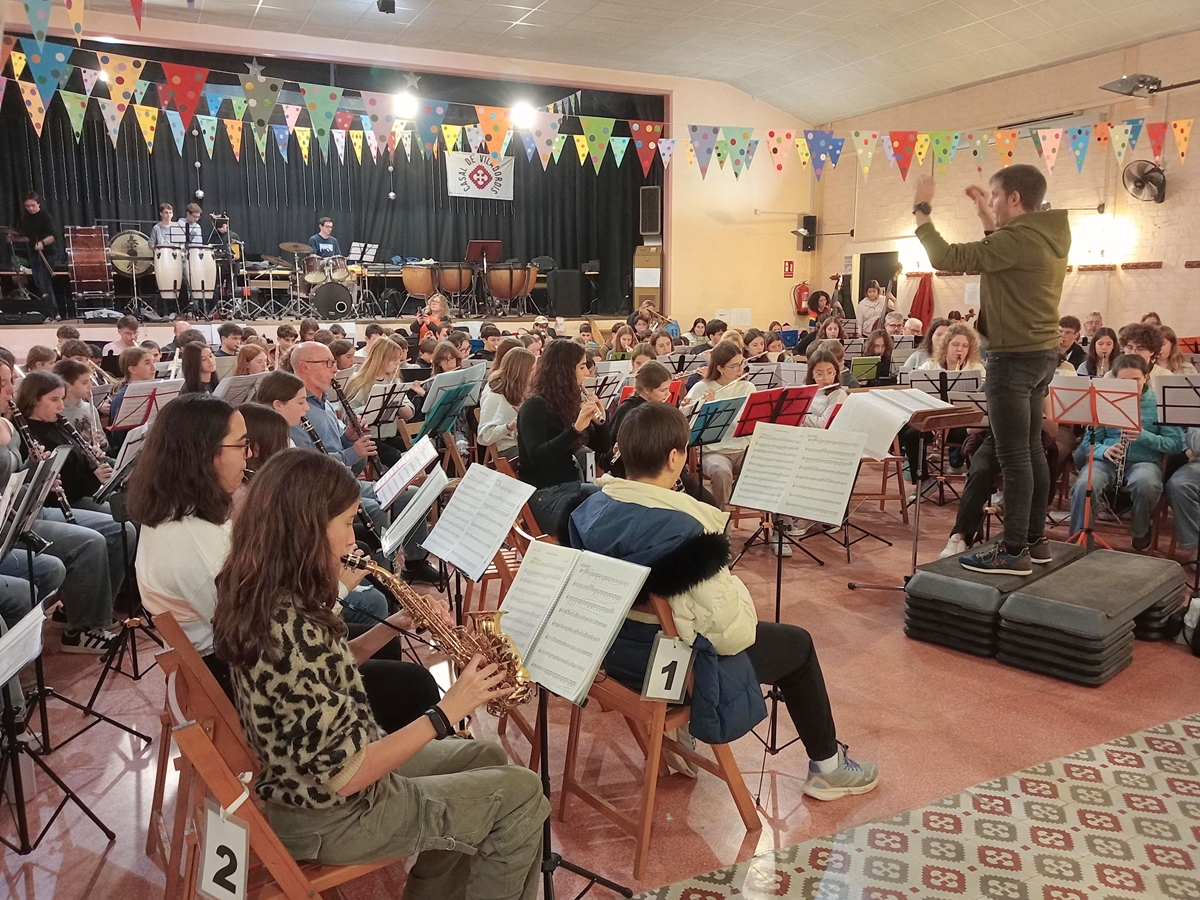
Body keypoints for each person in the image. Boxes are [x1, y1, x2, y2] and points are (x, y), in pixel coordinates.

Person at [211, 449, 547, 897]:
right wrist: (447, 711)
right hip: (337, 816)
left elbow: (323, 676)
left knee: (484, 756)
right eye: (348, 522)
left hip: (308, 793)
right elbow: (346, 775)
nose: (354, 539)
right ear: (308, 529)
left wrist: (393, 624)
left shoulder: (268, 598)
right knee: (523, 795)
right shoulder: (292, 630)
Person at [569, 402, 879, 801]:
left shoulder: (591, 508)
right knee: (798, 645)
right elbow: (730, 634)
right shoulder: (684, 529)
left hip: (612, 659)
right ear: (675, 457)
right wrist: (739, 592)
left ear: (622, 452)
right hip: (671, 671)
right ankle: (829, 768)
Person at [915, 166, 1069, 571]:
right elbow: (1003, 253)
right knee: (1031, 450)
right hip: (1040, 354)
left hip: (1012, 357)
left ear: (1014, 198)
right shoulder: (1045, 234)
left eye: (996, 196)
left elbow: (946, 257)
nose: (994, 202)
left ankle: (1013, 550)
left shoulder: (1017, 240)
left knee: (1014, 456)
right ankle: (1035, 541)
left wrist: (922, 208)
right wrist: (986, 216)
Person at [288, 342, 439, 585]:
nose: (335, 369)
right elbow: (309, 463)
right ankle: (381, 584)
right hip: (322, 488)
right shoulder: (295, 408)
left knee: (411, 494)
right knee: (377, 509)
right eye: (328, 363)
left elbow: (334, 445)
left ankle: (416, 563)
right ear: (304, 367)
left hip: (344, 479)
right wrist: (352, 453)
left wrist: (349, 437)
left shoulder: (324, 401)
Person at [1070, 354, 1182, 551]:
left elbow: (1174, 444)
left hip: (1145, 461)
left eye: (1135, 380)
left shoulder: (1159, 403)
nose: (1130, 386)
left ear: (1146, 377)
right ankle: (1080, 540)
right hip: (1106, 460)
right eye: (1123, 381)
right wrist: (1104, 450)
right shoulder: (1105, 400)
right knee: (1084, 484)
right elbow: (1088, 444)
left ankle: (1140, 530)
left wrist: (1143, 436)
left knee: (1146, 483)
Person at [516, 340, 608, 537]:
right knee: (599, 525)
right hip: (545, 494)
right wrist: (575, 429)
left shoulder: (565, 404)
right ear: (564, 371)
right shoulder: (534, 406)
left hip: (572, 486)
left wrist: (601, 423)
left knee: (620, 505)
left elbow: (603, 447)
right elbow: (538, 457)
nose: (587, 373)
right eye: (582, 367)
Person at [15, 371, 114, 511]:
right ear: (33, 399)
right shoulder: (25, 434)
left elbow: (74, 464)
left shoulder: (57, 423)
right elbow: (59, 487)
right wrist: (94, 478)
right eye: (54, 399)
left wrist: (91, 463)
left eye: (62, 399)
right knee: (119, 518)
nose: (61, 406)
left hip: (83, 493)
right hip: (60, 504)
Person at [684, 341, 755, 510]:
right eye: (734, 366)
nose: (740, 369)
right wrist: (689, 407)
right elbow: (685, 422)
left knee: (769, 467)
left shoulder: (748, 387)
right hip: (714, 451)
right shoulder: (701, 387)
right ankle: (722, 522)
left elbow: (746, 422)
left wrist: (719, 406)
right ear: (720, 368)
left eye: (742, 363)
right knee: (721, 473)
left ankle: (779, 521)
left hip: (743, 449)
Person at [479, 347, 535, 462]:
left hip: (524, 442)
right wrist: (509, 427)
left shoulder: (521, 388)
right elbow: (484, 436)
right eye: (533, 369)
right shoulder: (495, 395)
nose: (535, 373)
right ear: (522, 372)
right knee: (546, 457)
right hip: (508, 448)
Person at [19, 191, 60, 318]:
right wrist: (15, 239)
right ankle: (47, 311)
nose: (30, 208)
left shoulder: (45, 217)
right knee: (38, 283)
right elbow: (29, 238)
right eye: (27, 206)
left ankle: (53, 313)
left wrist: (42, 243)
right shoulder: (26, 218)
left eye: (32, 205)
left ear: (38, 204)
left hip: (48, 253)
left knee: (44, 282)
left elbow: (53, 236)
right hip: (34, 254)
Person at [54, 359, 107, 454]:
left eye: (90, 381)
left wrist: (103, 444)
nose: (90, 386)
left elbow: (105, 445)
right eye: (84, 383)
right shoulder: (57, 412)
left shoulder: (90, 408)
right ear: (67, 385)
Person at [803, 349, 847, 429]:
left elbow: (824, 424)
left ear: (836, 372)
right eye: (819, 374)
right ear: (812, 375)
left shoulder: (838, 394)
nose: (826, 378)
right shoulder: (804, 392)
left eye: (830, 372)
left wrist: (799, 416)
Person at [917, 322, 985, 374]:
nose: (959, 349)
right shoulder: (930, 366)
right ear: (946, 345)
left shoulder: (977, 369)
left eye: (965, 346)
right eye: (955, 344)